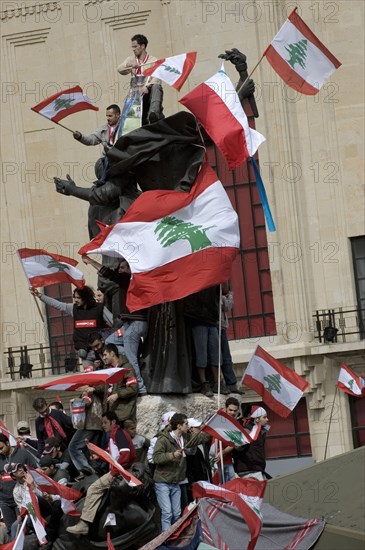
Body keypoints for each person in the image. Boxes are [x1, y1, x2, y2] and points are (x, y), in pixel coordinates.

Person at [82, 255, 149, 395]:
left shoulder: (130, 279)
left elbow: (109, 274)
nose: (120, 270)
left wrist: (91, 261)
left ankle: (141, 389)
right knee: (110, 341)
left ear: (131, 269)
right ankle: (130, 354)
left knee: (131, 359)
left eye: (123, 268)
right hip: (128, 324)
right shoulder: (125, 280)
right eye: (119, 268)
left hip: (137, 322)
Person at [66, 411, 136, 536]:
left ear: (113, 422)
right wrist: (98, 457)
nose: (103, 425)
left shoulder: (119, 434)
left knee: (93, 489)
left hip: (119, 473)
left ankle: (84, 523)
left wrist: (114, 472)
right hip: (118, 470)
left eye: (105, 423)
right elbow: (111, 455)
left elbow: (125, 455)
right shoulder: (114, 434)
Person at [30, 286, 112, 367]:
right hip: (85, 354)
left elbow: (113, 322)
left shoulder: (99, 308)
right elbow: (57, 304)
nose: (75, 300)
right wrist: (40, 295)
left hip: (101, 351)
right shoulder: (73, 308)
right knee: (90, 378)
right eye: (75, 297)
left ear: (86, 297)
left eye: (78, 298)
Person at [153, 413, 205, 532]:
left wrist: (210, 429)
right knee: (167, 513)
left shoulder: (186, 437)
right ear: (179, 426)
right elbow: (156, 458)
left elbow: (202, 438)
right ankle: (166, 540)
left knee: (177, 514)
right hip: (163, 482)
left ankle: (175, 538)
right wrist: (171, 455)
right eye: (186, 424)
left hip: (176, 481)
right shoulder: (163, 439)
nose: (188, 426)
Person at [117, 34, 164, 125]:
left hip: (147, 92)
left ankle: (153, 113)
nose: (133, 49)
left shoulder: (153, 60)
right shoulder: (131, 59)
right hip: (135, 93)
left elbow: (157, 77)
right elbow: (120, 69)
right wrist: (130, 65)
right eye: (132, 47)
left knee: (157, 87)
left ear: (142, 46)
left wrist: (147, 86)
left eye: (135, 46)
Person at [0, 435, 39, 535]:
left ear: (8, 443)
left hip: (22, 500)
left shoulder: (23, 453)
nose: (0, 451)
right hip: (4, 501)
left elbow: (36, 471)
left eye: (1, 448)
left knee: (22, 527)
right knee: (11, 531)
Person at [102, 343, 138, 422]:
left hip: (124, 415)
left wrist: (118, 394)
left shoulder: (126, 368)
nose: (103, 358)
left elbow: (133, 388)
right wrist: (92, 388)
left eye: (105, 355)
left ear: (112, 354)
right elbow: (104, 386)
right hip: (112, 414)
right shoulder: (108, 369)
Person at [233, 405, 270, 481]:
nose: (267, 419)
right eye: (264, 417)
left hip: (256, 470)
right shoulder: (248, 431)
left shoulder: (258, 431)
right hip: (250, 472)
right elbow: (237, 447)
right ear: (256, 419)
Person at [220, 282, 244, 394]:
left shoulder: (225, 295)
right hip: (213, 325)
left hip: (222, 327)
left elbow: (227, 306)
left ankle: (231, 383)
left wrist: (226, 294)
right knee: (217, 358)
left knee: (226, 358)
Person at [210, 397, 240, 483]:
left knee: (231, 487)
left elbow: (235, 443)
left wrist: (223, 452)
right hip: (216, 460)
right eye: (230, 410)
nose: (232, 413)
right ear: (226, 409)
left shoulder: (236, 424)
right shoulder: (219, 421)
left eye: (235, 411)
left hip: (228, 460)